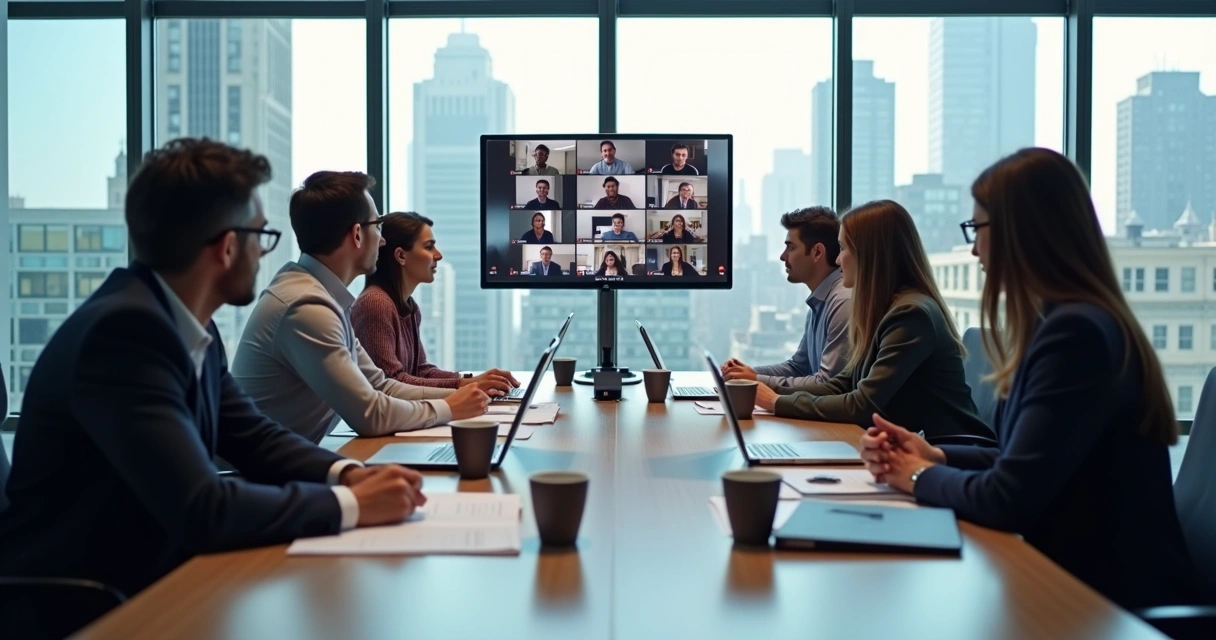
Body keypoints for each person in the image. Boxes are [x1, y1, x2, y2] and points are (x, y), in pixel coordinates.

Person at [0, 139, 427, 630]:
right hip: (91, 603)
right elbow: (202, 508)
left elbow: (253, 436)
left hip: (152, 572)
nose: (265, 251)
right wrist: (351, 505)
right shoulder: (124, 335)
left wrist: (348, 476)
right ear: (227, 246)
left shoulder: (186, 324)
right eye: (260, 236)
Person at [858, 149, 1204, 610]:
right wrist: (934, 453)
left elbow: (1009, 498)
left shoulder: (1075, 335)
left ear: (1021, 234)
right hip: (1070, 582)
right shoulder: (1063, 322)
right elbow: (1018, 459)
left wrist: (917, 476)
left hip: (1104, 603)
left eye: (977, 229)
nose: (973, 248)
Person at [231, 171, 492, 444]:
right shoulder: (306, 307)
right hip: (248, 476)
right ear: (357, 234)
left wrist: (465, 395)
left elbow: (380, 385)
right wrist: (450, 407)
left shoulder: (326, 299)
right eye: (377, 226)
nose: (382, 240)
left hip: (284, 464)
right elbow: (370, 415)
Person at [752, 200, 990, 441]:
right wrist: (767, 391)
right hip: (911, 445)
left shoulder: (910, 314)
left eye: (843, 249)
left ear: (870, 255)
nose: (837, 261)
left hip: (949, 453)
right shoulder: (882, 309)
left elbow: (862, 405)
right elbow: (841, 385)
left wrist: (775, 401)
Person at [351, 212, 522, 390]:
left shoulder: (409, 307)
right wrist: (464, 384)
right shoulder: (375, 304)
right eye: (429, 247)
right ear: (401, 256)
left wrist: (473, 380)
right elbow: (391, 383)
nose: (438, 255)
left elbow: (420, 370)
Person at [723, 206, 852, 388]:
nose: (783, 257)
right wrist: (749, 373)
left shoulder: (842, 302)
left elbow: (827, 384)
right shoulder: (821, 300)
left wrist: (755, 380)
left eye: (790, 247)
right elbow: (799, 368)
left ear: (817, 252)